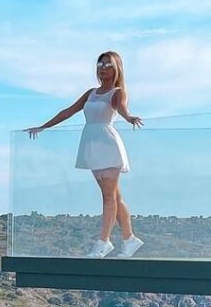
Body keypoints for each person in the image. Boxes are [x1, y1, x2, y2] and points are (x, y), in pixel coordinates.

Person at [26, 51, 144, 258]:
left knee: (108, 197)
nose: (103, 68)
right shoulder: (91, 93)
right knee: (115, 195)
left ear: (116, 68)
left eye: (108, 65)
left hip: (107, 144)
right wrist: (43, 127)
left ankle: (103, 242)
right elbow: (68, 111)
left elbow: (123, 109)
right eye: (100, 64)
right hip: (91, 145)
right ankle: (130, 239)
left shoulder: (117, 92)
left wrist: (130, 118)